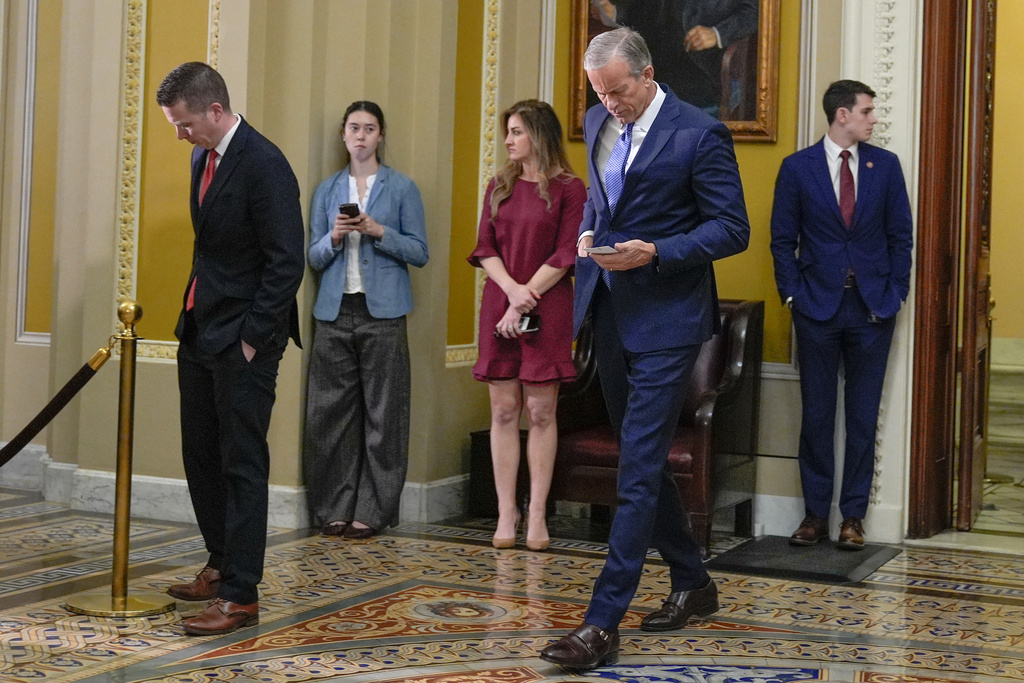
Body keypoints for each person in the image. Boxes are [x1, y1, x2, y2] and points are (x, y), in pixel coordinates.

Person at [540, 28, 749, 670]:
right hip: (606, 309)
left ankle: (601, 624)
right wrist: (587, 240)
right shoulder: (595, 118)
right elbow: (600, 202)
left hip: (667, 318)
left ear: (649, 73)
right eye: (598, 92)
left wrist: (657, 251)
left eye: (618, 90)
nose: (609, 103)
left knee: (635, 466)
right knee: (643, 457)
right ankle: (694, 581)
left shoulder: (698, 133)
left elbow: (731, 227)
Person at [157, 62, 305, 636]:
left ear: (215, 111)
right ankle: (219, 565)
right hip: (198, 328)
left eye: (185, 123)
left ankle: (242, 594)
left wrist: (251, 339)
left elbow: (285, 262)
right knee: (201, 454)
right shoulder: (203, 156)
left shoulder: (265, 165)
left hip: (243, 340)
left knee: (242, 463)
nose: (180, 135)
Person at [769, 80, 913, 550]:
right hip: (816, 309)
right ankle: (814, 515)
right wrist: (792, 296)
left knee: (862, 418)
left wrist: (895, 294)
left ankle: (854, 517)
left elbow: (900, 239)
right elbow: (781, 241)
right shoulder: (797, 168)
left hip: (872, 310)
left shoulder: (885, 167)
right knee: (816, 416)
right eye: (868, 111)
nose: (874, 119)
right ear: (842, 115)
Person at [304, 101, 429, 541]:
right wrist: (334, 238)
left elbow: (420, 252)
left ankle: (372, 512)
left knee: (384, 417)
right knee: (329, 416)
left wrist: (379, 232)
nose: (361, 136)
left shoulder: (401, 188)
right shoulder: (326, 190)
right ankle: (333, 508)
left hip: (384, 315)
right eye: (354, 128)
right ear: (343, 135)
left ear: (380, 136)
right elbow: (313, 257)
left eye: (370, 128)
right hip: (334, 314)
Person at [467, 100, 585, 552]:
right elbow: (484, 247)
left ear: (538, 134)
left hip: (548, 305)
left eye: (516, 132)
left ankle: (536, 513)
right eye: (507, 132)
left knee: (540, 411)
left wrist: (525, 299)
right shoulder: (499, 186)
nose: (509, 140)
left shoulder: (572, 190)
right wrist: (512, 296)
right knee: (502, 411)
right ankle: (506, 513)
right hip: (502, 301)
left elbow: (565, 254)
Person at [594, 0, 759, 116]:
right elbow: (642, 8)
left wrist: (717, 34)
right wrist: (615, 13)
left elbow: (757, 11)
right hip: (655, 67)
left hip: (704, 70)